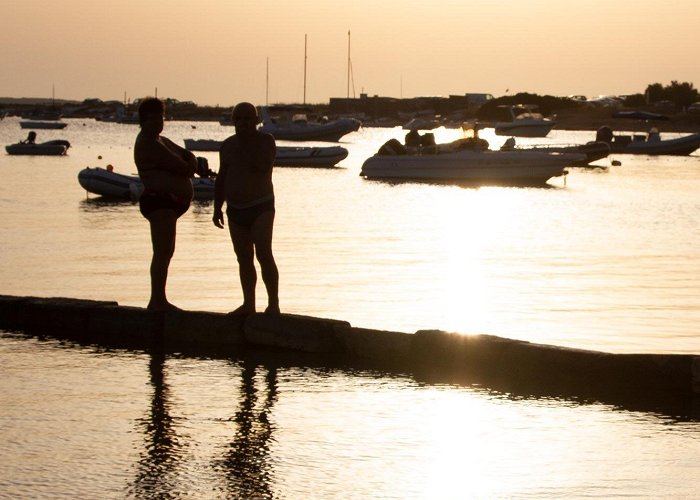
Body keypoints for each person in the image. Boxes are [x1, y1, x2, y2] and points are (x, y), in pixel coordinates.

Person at [213, 102, 279, 315]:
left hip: (261, 206)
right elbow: (222, 177)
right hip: (235, 210)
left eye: (247, 119)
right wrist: (217, 208)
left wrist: (248, 143)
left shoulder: (265, 141)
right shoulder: (228, 145)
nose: (242, 123)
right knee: (243, 258)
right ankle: (248, 304)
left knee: (263, 253)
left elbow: (263, 166)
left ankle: (273, 304)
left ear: (256, 120)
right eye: (238, 119)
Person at [134, 97, 197, 311]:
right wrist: (189, 164)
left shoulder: (162, 140)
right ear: (143, 120)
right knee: (161, 252)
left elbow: (188, 155)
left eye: (160, 117)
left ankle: (160, 298)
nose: (158, 122)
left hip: (170, 202)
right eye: (153, 119)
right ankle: (157, 300)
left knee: (167, 252)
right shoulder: (148, 143)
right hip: (159, 201)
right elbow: (183, 166)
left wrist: (191, 161)